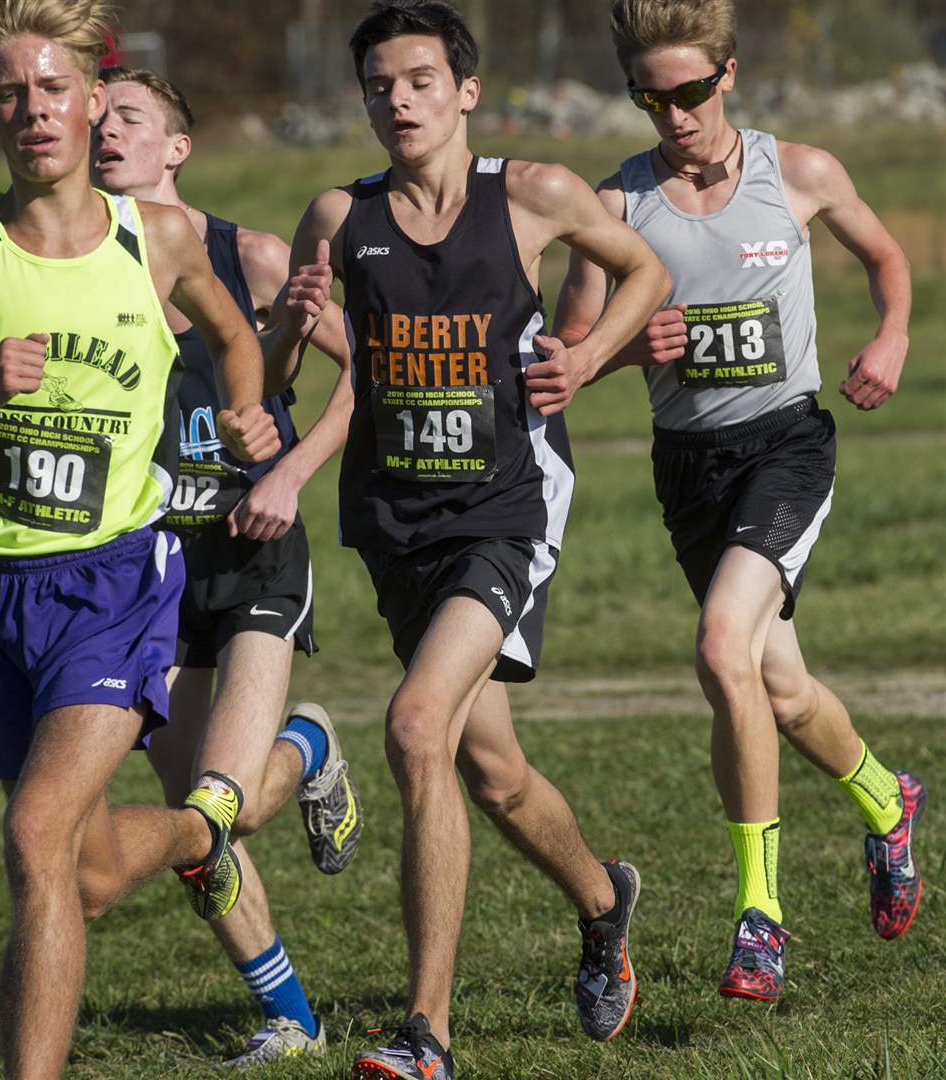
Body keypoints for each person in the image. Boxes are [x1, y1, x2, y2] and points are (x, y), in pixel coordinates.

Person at [0, 3, 281, 1077]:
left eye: (53, 89)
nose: (34, 111)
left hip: (119, 583)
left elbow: (237, 336)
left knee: (32, 838)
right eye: (11, 93)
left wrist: (248, 411)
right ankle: (201, 830)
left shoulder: (162, 238)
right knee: (83, 867)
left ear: (94, 101)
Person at [267, 2, 670, 1074]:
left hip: (507, 506)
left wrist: (583, 362)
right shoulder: (336, 216)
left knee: (413, 729)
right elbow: (279, 374)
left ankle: (426, 1037)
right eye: (379, 86)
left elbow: (647, 274)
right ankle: (602, 900)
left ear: (465, 91)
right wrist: (288, 324)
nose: (397, 101)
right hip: (396, 519)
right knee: (488, 769)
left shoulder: (530, 194)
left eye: (418, 81)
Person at [555, 0, 924, 1004]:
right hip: (690, 467)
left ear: (727, 75)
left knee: (723, 647)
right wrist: (633, 347)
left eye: (687, 91)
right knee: (781, 690)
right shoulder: (617, 205)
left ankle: (758, 916)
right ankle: (890, 804)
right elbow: (568, 356)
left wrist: (890, 334)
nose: (671, 114)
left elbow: (887, 257)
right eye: (648, 96)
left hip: (788, 447)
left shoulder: (797, 172)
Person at [92, 66, 362, 1069]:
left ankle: (309, 741)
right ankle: (290, 1015)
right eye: (97, 119)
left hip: (252, 555)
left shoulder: (243, 255)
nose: (105, 133)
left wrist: (291, 471)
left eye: (130, 119)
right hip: (147, 574)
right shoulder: (77, 265)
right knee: (189, 827)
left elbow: (362, 372)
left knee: (231, 801)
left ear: (177, 147)